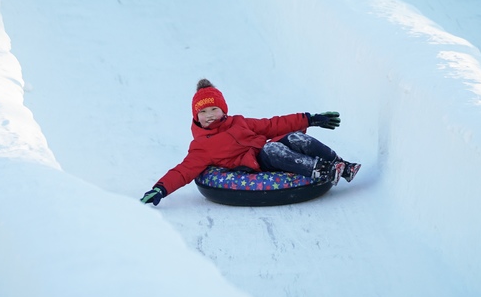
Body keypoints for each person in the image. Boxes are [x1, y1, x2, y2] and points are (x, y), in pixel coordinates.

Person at [141, 79, 360, 206]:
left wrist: (309, 118)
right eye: (203, 111)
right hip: (255, 162)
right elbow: (183, 171)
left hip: (267, 148)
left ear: (223, 110)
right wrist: (160, 189)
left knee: (295, 137)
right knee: (273, 148)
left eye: (214, 109)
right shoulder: (201, 146)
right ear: (195, 116)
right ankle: (321, 171)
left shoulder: (239, 122)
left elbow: (273, 125)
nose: (210, 115)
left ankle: (341, 165)